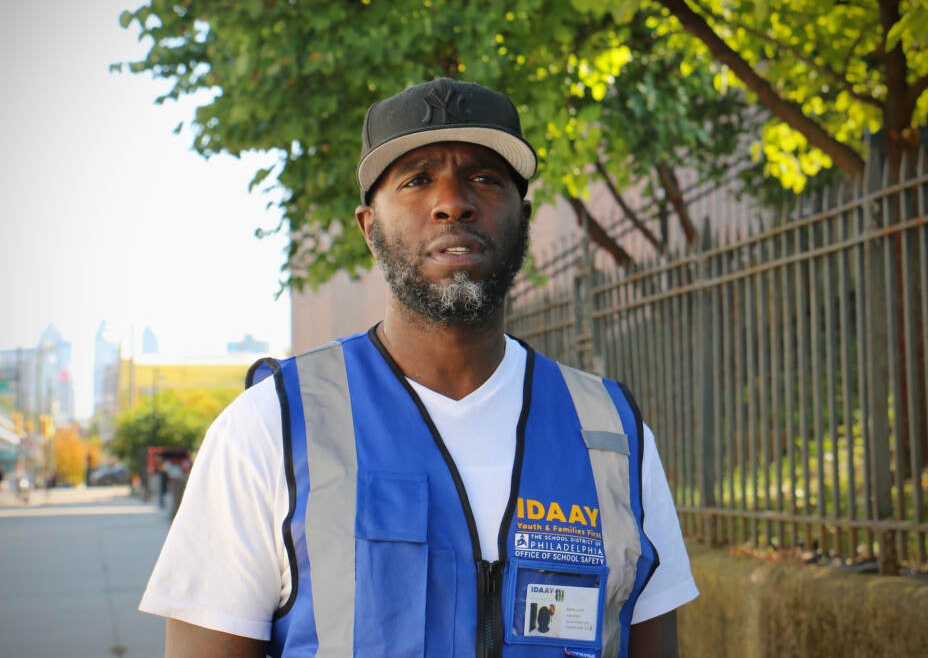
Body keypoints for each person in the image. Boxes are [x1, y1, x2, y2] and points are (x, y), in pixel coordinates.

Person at [140, 78, 699, 657]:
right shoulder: (271, 427)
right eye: (417, 179)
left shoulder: (611, 434)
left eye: (485, 177)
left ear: (523, 217)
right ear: (368, 227)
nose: (452, 201)